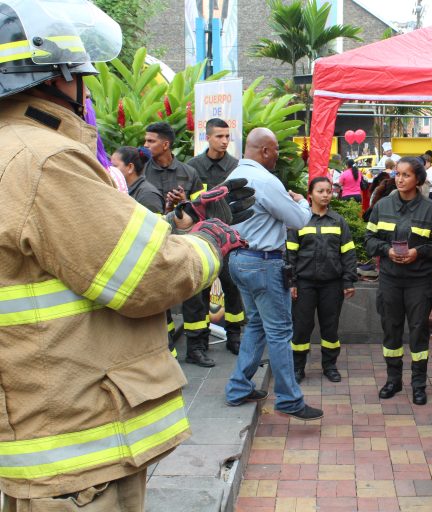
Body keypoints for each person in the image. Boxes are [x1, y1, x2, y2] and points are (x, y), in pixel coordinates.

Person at [0, 1, 250, 508]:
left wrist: (177, 222)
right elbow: (147, 276)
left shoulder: (12, 153)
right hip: (76, 455)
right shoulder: (42, 159)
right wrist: (210, 242)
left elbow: (76, 252)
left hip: (38, 433)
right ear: (59, 78)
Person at [225, 127, 324, 420]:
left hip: (238, 260)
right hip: (264, 263)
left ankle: (238, 388)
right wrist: (300, 201)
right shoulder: (266, 181)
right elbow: (300, 220)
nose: (278, 157)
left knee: (255, 325)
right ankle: (289, 399)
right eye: (277, 151)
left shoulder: (231, 177)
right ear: (265, 150)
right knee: (280, 332)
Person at [365, 157, 432, 405]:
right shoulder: (382, 206)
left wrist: (418, 252)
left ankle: (418, 385)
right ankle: (393, 381)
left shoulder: (430, 210)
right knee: (391, 330)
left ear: (419, 180)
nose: (399, 179)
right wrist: (386, 250)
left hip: (418, 282)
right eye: (398, 174)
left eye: (406, 175)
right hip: (390, 280)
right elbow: (369, 239)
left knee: (418, 332)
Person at [143, 121, 214, 366]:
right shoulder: (142, 170)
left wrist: (183, 203)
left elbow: (201, 211)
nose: (145, 145)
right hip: (154, 243)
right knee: (159, 297)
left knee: (193, 296)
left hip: (183, 242)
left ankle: (196, 348)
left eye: (150, 141)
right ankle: (166, 348)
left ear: (166, 144)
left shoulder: (188, 173)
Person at [287, 177, 358, 383]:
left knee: (330, 326)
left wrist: (348, 281)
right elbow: (290, 255)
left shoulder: (338, 221)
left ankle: (330, 366)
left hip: (332, 284)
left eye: (329, 191)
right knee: (301, 327)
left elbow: (348, 253)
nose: (326, 195)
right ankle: (298, 367)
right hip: (304, 284)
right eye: (321, 191)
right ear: (310, 194)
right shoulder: (299, 220)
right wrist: (291, 283)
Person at [188, 118, 244, 355]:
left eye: (227, 136)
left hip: (228, 239)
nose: (224, 141)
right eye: (219, 136)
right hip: (200, 240)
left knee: (233, 288)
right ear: (207, 137)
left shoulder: (236, 167)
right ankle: (198, 344)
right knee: (199, 292)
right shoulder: (192, 167)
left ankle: (235, 337)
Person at [112, 146, 164, 213]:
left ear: (130, 167)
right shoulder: (118, 188)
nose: (110, 169)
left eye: (114, 166)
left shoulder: (148, 195)